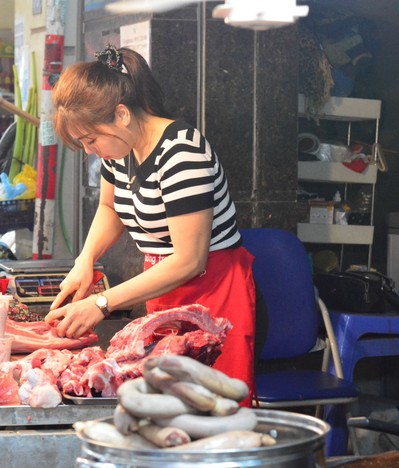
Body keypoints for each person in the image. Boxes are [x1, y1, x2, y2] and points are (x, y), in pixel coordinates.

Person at [45, 45, 257, 396]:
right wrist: (85, 261)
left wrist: (103, 302)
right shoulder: (120, 150)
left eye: (90, 139)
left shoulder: (182, 153)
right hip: (162, 289)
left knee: (214, 413)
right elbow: (110, 208)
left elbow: (190, 260)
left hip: (215, 295)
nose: (88, 150)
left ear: (122, 115)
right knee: (163, 413)